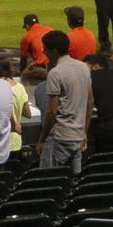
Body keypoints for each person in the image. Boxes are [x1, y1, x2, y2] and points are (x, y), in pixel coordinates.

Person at [39, 30, 89, 171]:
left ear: (54, 51)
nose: (43, 52)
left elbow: (52, 112)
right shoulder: (83, 67)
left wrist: (42, 139)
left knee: (49, 179)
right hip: (78, 136)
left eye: (45, 49)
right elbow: (90, 101)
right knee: (75, 181)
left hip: (60, 137)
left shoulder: (55, 73)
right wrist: (84, 130)